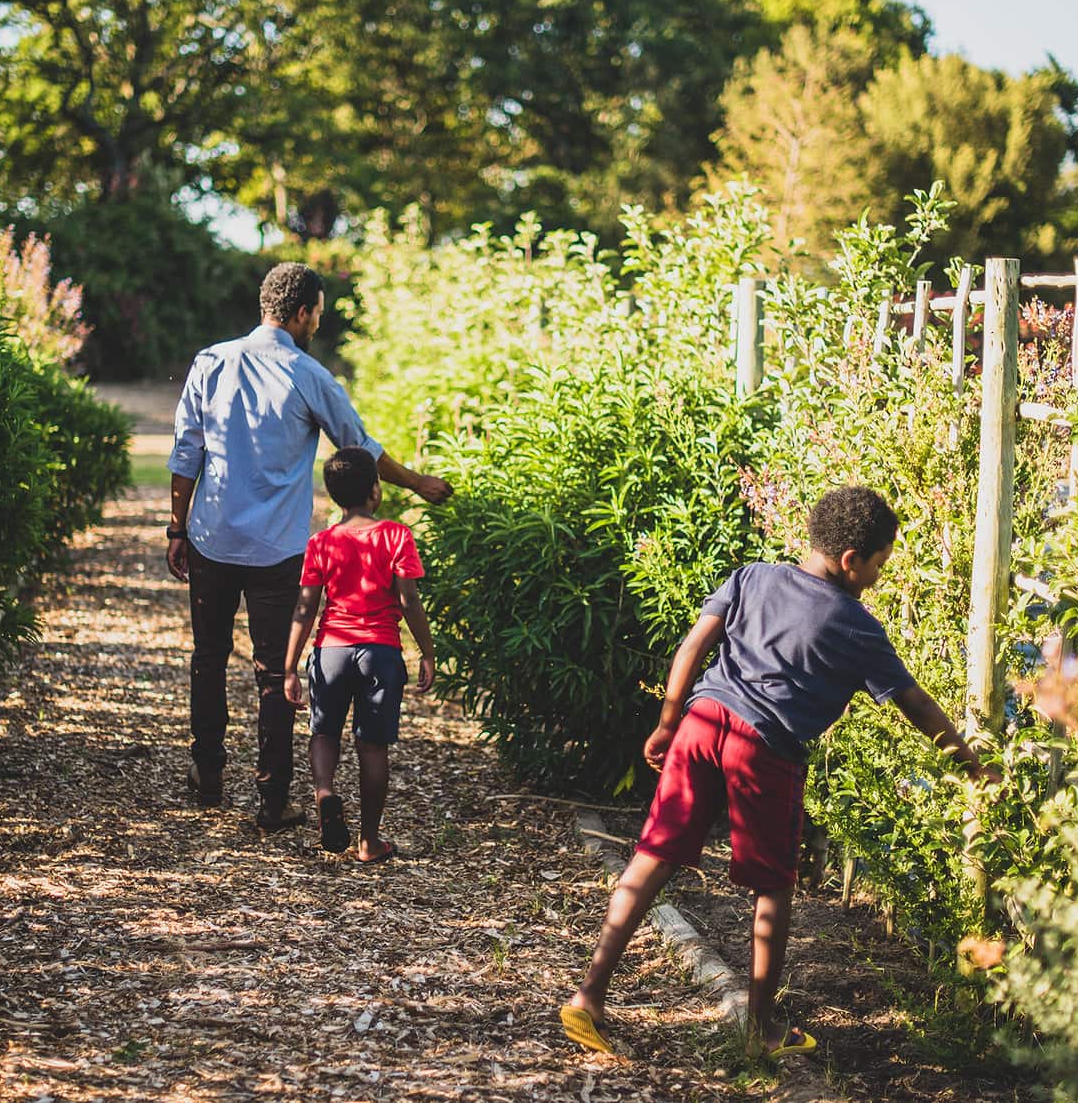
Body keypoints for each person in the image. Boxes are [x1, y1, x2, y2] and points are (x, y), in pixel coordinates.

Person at [559, 486, 1000, 1058]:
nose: (877, 578)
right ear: (851, 562)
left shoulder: (752, 577)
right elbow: (914, 703)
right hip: (764, 749)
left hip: (701, 721)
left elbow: (694, 646)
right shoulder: (855, 625)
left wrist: (668, 722)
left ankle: (587, 996)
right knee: (773, 887)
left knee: (652, 857)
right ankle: (762, 1030)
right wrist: (971, 764)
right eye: (878, 566)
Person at [166, 263, 450, 832]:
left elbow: (185, 452)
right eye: (317, 312)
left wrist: (178, 528)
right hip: (278, 549)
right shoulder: (309, 374)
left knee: (208, 657)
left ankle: (208, 773)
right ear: (299, 313)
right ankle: (272, 800)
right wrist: (419, 483)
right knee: (274, 672)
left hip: (212, 538)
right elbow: (360, 449)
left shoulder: (210, 362)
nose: (318, 322)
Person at [282, 446, 435, 864]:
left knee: (324, 733)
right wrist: (426, 651)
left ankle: (325, 793)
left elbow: (306, 606)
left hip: (331, 651)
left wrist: (290, 667)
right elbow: (409, 600)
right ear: (375, 489)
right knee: (372, 748)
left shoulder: (321, 543)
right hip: (380, 653)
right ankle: (369, 841)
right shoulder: (396, 536)